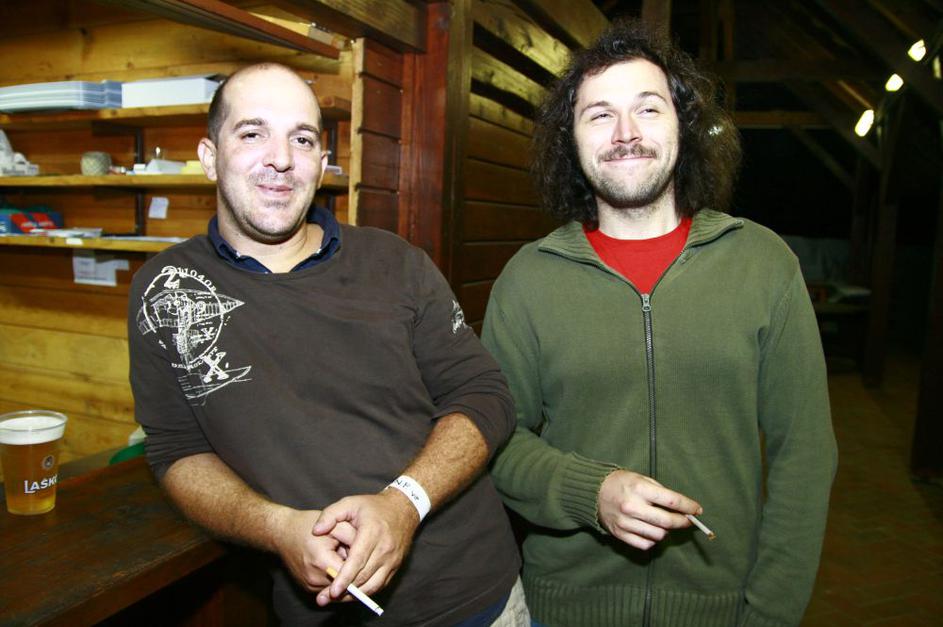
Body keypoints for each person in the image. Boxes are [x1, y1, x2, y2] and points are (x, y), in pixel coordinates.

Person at [128, 63, 528, 626]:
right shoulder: (165, 292)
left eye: (302, 139)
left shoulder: (395, 263)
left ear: (321, 163)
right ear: (210, 157)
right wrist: (277, 528)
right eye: (252, 133)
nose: (281, 159)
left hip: (472, 598)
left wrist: (403, 504)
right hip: (321, 614)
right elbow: (176, 449)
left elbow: (486, 394)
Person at [481, 19, 838, 627]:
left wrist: (770, 615)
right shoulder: (529, 279)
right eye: (599, 115)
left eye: (648, 108)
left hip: (722, 610)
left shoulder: (763, 264)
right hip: (566, 610)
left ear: (683, 126)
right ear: (570, 140)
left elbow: (804, 454)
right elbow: (496, 442)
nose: (626, 133)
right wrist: (591, 491)